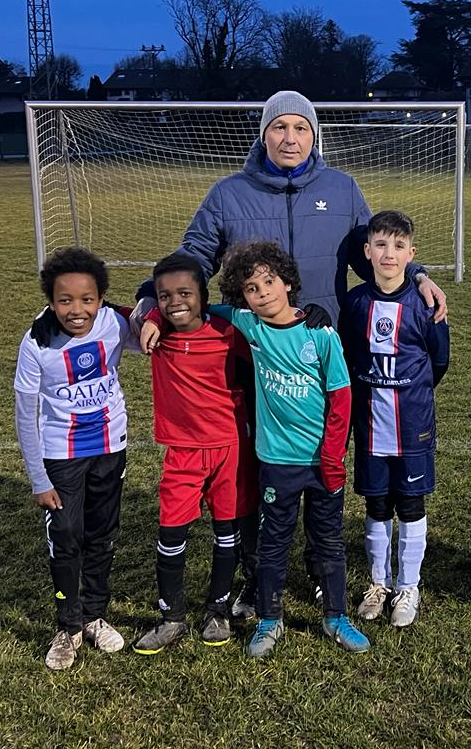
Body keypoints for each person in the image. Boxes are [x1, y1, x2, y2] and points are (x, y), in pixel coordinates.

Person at [131, 89, 448, 617]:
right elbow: (192, 257)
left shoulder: (342, 189)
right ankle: (259, 572)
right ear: (263, 133)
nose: (290, 138)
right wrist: (151, 298)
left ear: (315, 135)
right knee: (258, 468)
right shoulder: (229, 194)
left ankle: (324, 572)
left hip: (324, 358)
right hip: (250, 360)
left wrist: (417, 274)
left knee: (324, 465)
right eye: (280, 128)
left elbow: (375, 251)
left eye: (301, 128)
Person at [144, 241, 369, 656]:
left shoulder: (320, 334)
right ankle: (269, 619)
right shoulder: (250, 325)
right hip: (277, 462)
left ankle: (336, 617)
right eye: (251, 287)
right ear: (241, 295)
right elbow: (195, 308)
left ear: (288, 283)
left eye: (269, 282)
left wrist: (333, 457)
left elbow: (341, 398)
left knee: (330, 542)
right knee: (273, 544)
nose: (262, 292)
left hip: (322, 463)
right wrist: (156, 313)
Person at [14, 248, 136, 670]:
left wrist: (151, 312)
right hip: (60, 453)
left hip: (109, 446)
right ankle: (66, 626)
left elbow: (152, 323)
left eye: (87, 299)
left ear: (101, 298)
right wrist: (37, 478)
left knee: (102, 533)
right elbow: (25, 412)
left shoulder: (115, 322)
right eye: (65, 300)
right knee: (66, 534)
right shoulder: (37, 341)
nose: (77, 309)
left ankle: (94, 615)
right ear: (50, 301)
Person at [132, 254, 258, 655]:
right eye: (165, 296)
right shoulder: (157, 333)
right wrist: (151, 314)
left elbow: (275, 333)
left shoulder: (230, 333)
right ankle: (171, 617)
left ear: (203, 296)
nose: (175, 302)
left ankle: (217, 609)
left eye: (185, 293)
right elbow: (105, 309)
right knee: (171, 532)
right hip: (182, 452)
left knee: (226, 532)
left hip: (230, 448)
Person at [339, 211, 450, 628]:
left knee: (411, 504)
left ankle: (409, 586)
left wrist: (409, 390)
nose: (389, 253)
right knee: (377, 503)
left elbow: (439, 361)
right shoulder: (355, 302)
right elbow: (349, 357)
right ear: (367, 251)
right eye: (381, 245)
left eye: (398, 246)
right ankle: (378, 583)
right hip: (369, 424)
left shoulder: (425, 303)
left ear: (411, 254)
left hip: (412, 425)